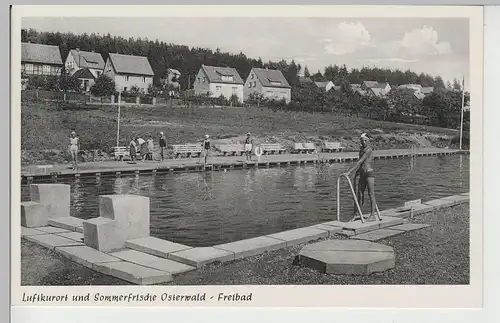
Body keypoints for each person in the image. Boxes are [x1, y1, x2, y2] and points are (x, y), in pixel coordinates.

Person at [343, 133, 378, 221]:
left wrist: (349, 171)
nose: (364, 142)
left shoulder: (368, 150)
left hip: (369, 174)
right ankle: (356, 213)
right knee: (359, 194)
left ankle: (373, 215)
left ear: (368, 141)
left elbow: (360, 161)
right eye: (362, 141)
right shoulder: (361, 150)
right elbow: (361, 164)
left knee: (371, 194)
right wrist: (357, 172)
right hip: (362, 173)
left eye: (365, 140)